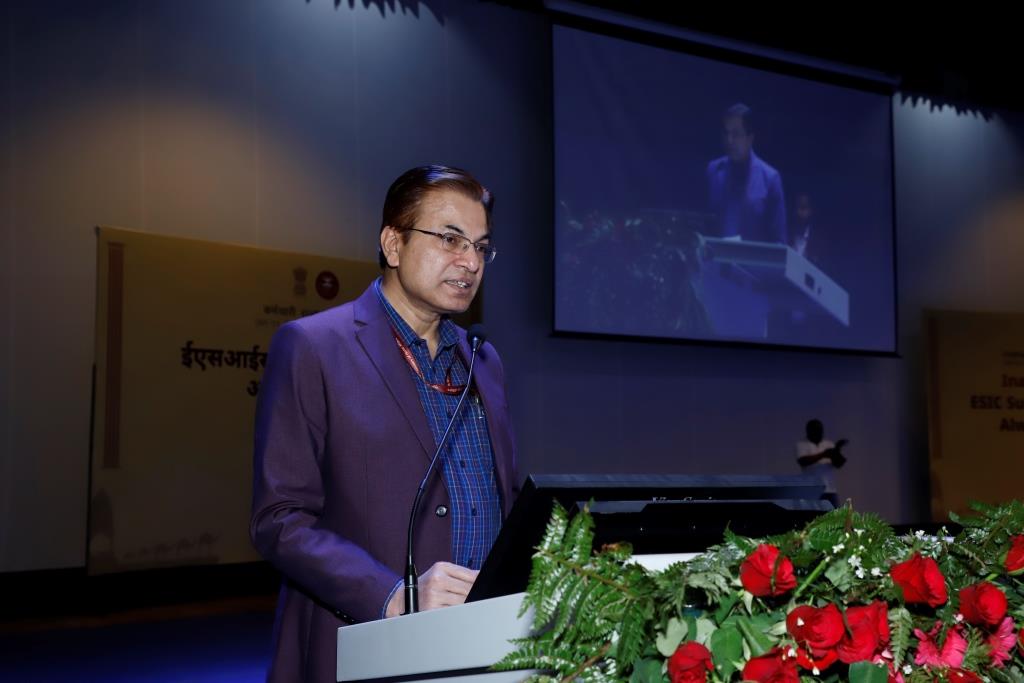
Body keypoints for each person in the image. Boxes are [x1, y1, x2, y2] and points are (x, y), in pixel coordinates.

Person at [250, 165, 519, 682]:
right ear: (393, 244)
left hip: (483, 647)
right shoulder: (314, 347)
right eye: (450, 239)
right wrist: (395, 595)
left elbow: (500, 498)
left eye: (481, 247)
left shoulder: (484, 361)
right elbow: (278, 519)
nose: (470, 262)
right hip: (367, 645)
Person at [706, 103, 787, 245]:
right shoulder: (713, 170)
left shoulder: (770, 179)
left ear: (750, 137)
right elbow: (703, 226)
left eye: (736, 134)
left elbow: (779, 242)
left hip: (754, 260)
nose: (729, 140)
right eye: (726, 133)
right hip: (716, 258)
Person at [796, 418, 847, 508]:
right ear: (808, 431)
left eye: (820, 429)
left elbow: (838, 464)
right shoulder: (801, 445)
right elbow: (803, 461)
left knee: (836, 516)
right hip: (812, 491)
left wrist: (837, 450)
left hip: (830, 490)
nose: (818, 432)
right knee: (812, 516)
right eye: (815, 429)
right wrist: (823, 454)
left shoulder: (829, 444)